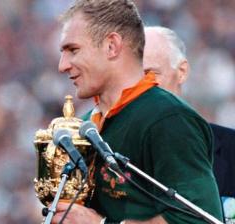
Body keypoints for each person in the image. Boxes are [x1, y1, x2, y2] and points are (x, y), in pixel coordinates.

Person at [52, 0, 223, 223]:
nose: (62, 65)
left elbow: (201, 220)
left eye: (73, 50)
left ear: (111, 46)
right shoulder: (83, 126)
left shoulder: (168, 118)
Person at [143, 25, 235, 219]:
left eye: (152, 73)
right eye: (135, 77)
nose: (142, 86)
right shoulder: (109, 154)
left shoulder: (231, 148)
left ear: (182, 71)